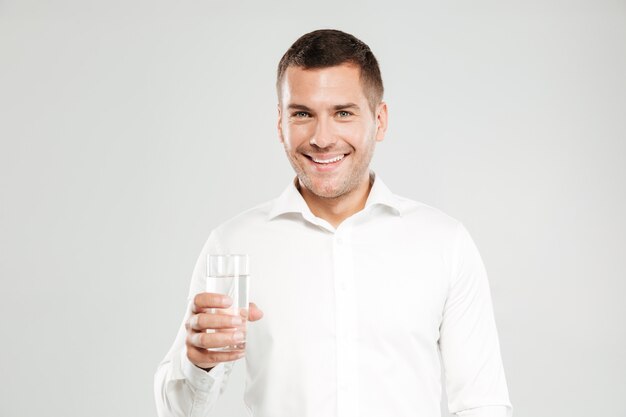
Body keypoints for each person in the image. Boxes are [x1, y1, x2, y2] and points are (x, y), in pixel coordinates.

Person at [154, 29, 513, 417]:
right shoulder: (233, 245)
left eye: (343, 113)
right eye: (303, 114)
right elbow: (177, 410)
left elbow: (483, 404)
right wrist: (199, 363)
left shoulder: (445, 243)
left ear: (379, 120)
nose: (322, 138)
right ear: (280, 123)